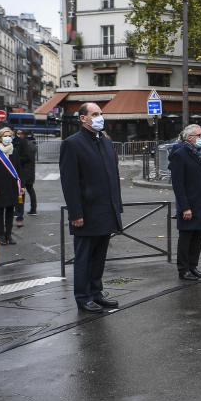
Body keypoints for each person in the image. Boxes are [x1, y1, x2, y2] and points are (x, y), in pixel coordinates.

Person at [59, 102, 123, 313]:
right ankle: (83, 296)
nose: (99, 117)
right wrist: (75, 213)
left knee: (99, 257)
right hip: (86, 212)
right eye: (95, 114)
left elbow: (113, 177)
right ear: (83, 118)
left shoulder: (104, 142)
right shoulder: (72, 144)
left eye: (101, 113)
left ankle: (96, 292)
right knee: (84, 257)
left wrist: (116, 207)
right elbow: (70, 183)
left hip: (106, 210)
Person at [169, 124, 201, 281]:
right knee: (186, 237)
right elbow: (178, 184)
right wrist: (185, 207)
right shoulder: (180, 154)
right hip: (189, 204)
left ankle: (193, 266)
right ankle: (183, 269)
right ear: (189, 138)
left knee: (198, 236)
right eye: (200, 135)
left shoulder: (199, 153)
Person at [0, 127, 22, 245]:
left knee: (11, 211)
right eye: (5, 135)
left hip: (12, 186)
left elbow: (18, 168)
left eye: (9, 135)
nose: (8, 138)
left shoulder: (14, 150)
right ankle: (1, 235)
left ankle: (9, 235)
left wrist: (20, 185)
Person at [13, 129, 38, 223]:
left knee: (21, 192)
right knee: (30, 190)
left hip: (24, 171)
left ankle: (19, 212)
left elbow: (24, 158)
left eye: (20, 134)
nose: (18, 135)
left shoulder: (24, 144)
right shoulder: (32, 144)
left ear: (24, 135)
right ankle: (33, 209)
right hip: (30, 171)